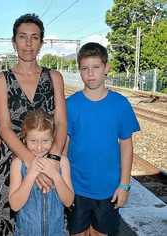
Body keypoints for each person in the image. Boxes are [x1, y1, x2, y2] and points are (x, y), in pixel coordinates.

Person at [0, 13, 67, 235]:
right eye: (23, 37)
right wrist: (32, 163)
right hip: (12, 165)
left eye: (34, 37)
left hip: (50, 162)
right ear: (14, 42)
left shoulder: (55, 78)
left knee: (48, 224)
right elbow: (4, 128)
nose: (28, 43)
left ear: (41, 42)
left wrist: (50, 162)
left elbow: (61, 123)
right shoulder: (2, 80)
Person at [65, 42, 140, 236]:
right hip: (77, 187)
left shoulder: (120, 104)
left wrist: (124, 185)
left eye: (96, 67)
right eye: (84, 68)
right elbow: (63, 146)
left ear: (106, 68)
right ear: (79, 70)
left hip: (109, 188)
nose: (90, 74)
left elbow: (126, 145)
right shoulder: (71, 105)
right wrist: (63, 181)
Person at [9, 109, 74, 236]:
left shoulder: (62, 162)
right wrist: (31, 174)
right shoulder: (18, 164)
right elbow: (15, 205)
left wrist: (55, 175)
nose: (39, 147)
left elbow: (69, 201)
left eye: (45, 141)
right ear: (24, 139)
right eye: (33, 141)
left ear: (53, 139)